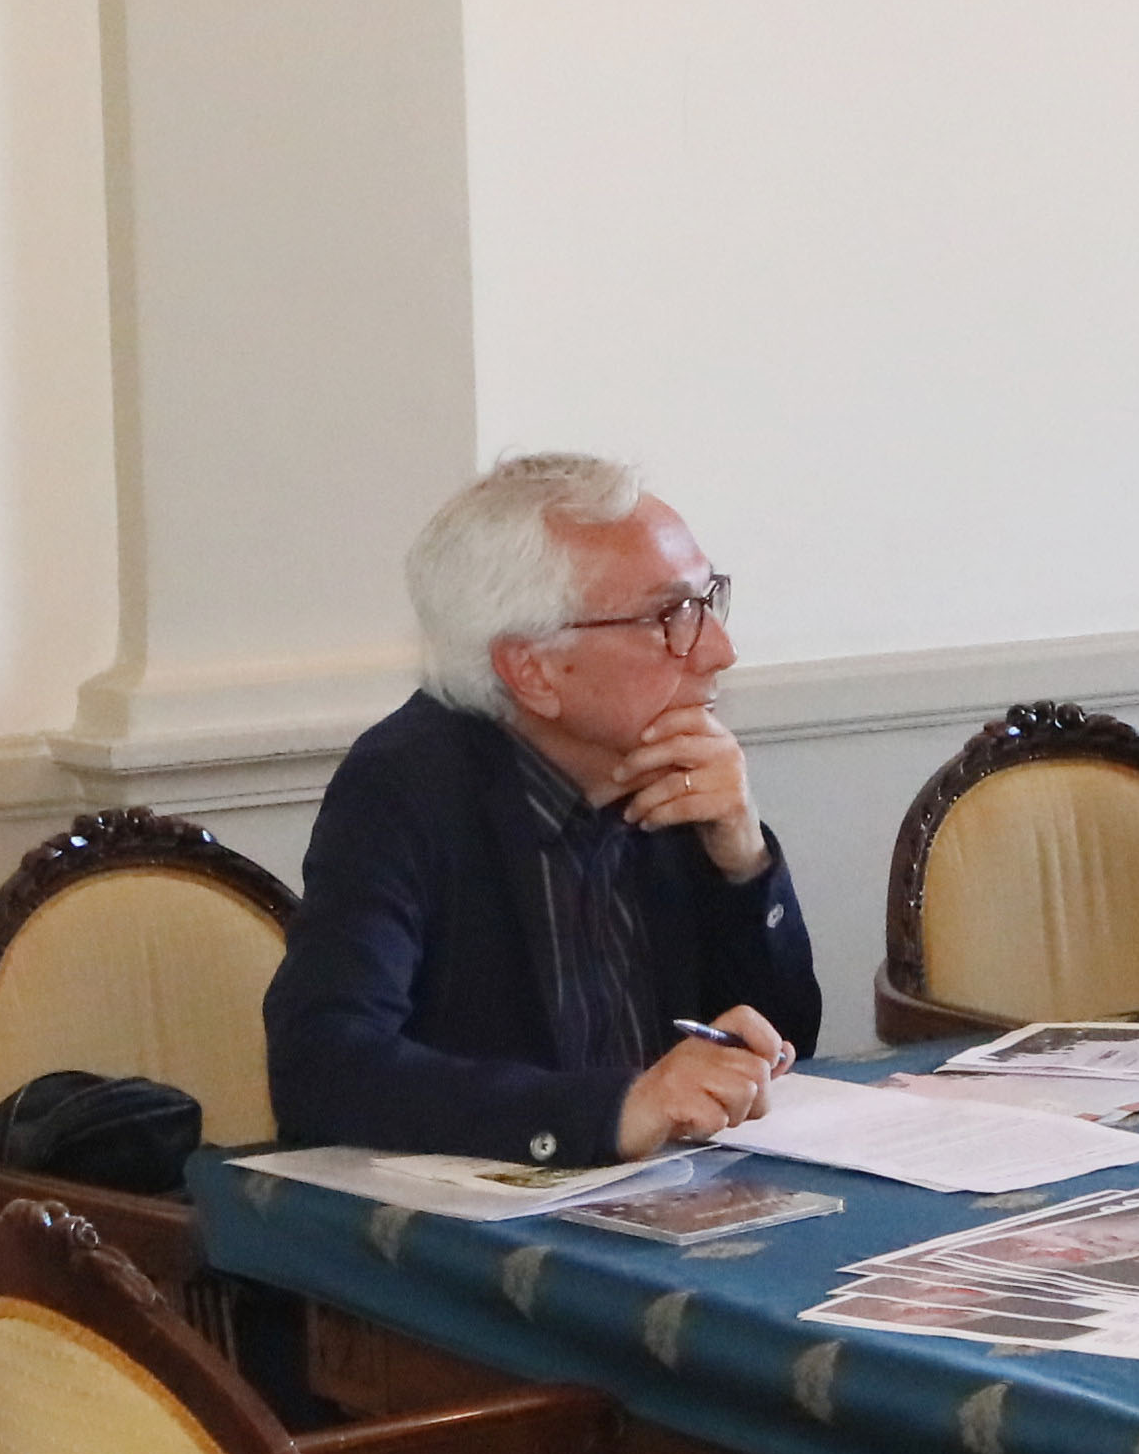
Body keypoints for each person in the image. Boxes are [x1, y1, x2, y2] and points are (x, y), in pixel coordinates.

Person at [266, 453, 818, 1163]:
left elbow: (790, 1042)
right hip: (483, 1218)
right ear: (532, 671)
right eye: (672, 616)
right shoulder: (405, 786)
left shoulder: (674, 768)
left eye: (708, 601)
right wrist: (612, 1112)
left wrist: (742, 862)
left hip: (682, 1197)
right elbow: (323, 1067)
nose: (720, 650)